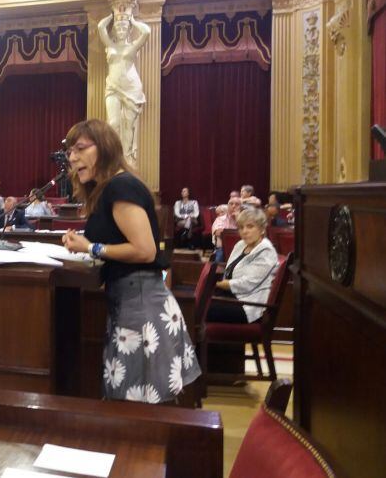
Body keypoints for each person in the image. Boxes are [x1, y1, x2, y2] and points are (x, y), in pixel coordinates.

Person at [62, 119, 200, 403]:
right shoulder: (108, 188)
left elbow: (145, 250)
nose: (72, 157)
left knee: (138, 407)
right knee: (131, 403)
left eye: (80, 149)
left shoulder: (120, 186)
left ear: (104, 147)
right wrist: (86, 246)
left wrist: (92, 247)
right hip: (131, 302)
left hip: (141, 307)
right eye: (69, 152)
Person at [208, 208, 279, 324]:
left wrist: (216, 284)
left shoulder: (266, 251)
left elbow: (247, 284)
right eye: (241, 227)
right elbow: (228, 272)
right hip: (231, 296)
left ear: (261, 229)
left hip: (249, 305)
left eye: (250, 226)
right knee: (194, 301)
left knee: (200, 308)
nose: (244, 231)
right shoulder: (240, 244)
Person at [98, 10, 150, 167]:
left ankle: (127, 162)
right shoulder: (110, 45)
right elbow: (101, 27)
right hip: (113, 87)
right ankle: (112, 157)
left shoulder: (133, 46)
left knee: (129, 127)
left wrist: (133, 22)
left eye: (124, 28)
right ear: (114, 29)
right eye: (118, 28)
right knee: (113, 123)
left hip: (131, 88)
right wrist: (112, 16)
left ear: (128, 30)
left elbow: (147, 31)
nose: (121, 31)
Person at [212, 197, 240, 262]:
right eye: (231, 204)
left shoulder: (245, 220)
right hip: (223, 249)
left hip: (241, 249)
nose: (233, 206)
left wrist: (239, 219)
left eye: (237, 204)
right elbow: (218, 232)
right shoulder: (220, 219)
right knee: (217, 263)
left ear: (241, 207)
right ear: (228, 206)